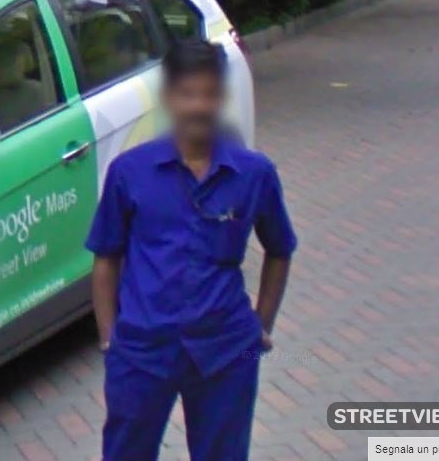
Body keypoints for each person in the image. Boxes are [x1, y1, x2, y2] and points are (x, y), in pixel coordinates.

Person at [86, 38, 297, 461]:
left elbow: (280, 248)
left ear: (222, 98)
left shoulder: (254, 173)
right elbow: (106, 257)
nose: (199, 106)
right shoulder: (130, 172)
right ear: (169, 98)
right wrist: (110, 339)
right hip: (142, 350)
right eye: (188, 93)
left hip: (226, 349)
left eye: (209, 93)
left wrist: (260, 327)